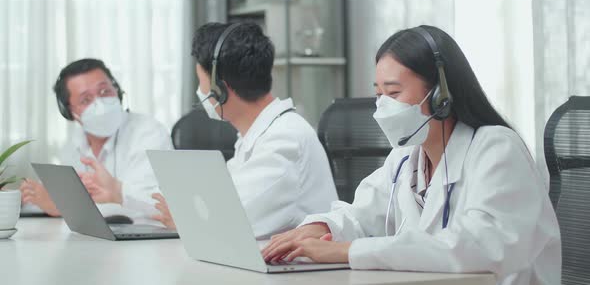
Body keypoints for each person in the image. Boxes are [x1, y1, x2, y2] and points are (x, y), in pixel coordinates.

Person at [262, 26, 561, 285]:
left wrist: (346, 251)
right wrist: (323, 227)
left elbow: (480, 248)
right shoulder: (406, 157)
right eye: (378, 94)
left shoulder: (497, 149)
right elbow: (362, 214)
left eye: (393, 94)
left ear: (441, 96)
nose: (381, 107)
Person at [152, 22, 338, 239]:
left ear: (219, 90)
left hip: (301, 271)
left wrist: (183, 219)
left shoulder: (285, 139)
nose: (200, 92)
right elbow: (216, 199)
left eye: (201, 83)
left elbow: (229, 224)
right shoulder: (257, 135)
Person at [20, 58, 173, 220]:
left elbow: (155, 205)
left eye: (105, 92)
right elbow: (59, 196)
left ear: (118, 91)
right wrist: (36, 198)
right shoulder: (74, 142)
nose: (100, 104)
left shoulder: (148, 132)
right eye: (85, 100)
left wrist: (65, 207)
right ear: (70, 113)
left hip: (149, 240)